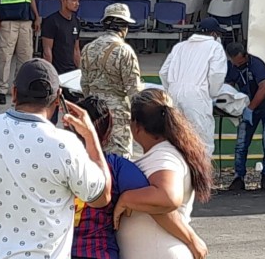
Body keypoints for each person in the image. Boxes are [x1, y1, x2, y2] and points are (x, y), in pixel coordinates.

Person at [0, 58, 112, 259]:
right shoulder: (65, 145)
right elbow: (102, 197)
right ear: (58, 98)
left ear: (14, 93)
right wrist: (90, 135)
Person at [72, 96, 207, 259]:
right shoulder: (118, 167)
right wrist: (191, 239)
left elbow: (161, 199)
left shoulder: (52, 162)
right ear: (108, 133)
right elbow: (158, 204)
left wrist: (127, 198)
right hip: (97, 251)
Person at [113, 89, 213, 259]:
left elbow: (167, 197)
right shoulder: (162, 154)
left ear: (136, 126)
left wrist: (126, 199)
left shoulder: (163, 156)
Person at [159, 17, 228, 158]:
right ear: (214, 34)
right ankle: (200, 178)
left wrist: (171, 88)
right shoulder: (215, 47)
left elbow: (163, 72)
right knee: (202, 140)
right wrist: (211, 94)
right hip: (197, 94)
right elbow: (217, 74)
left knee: (177, 137)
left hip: (174, 93)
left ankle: (179, 176)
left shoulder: (180, 46)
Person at [80, 3, 143, 159]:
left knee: (94, 157)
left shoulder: (88, 48)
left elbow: (85, 85)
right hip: (117, 115)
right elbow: (134, 90)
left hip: (94, 112)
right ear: (123, 27)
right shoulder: (124, 51)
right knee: (119, 160)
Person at [225, 42, 265, 191]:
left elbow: (264, 88)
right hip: (247, 105)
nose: (239, 65)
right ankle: (238, 177)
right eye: (236, 63)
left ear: (246, 56)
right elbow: (228, 86)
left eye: (241, 62)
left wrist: (250, 108)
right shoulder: (232, 67)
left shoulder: (256, 64)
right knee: (241, 143)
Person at [42, 0, 81, 124]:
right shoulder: (51, 21)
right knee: (52, 111)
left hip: (71, 74)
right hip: (57, 73)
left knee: (75, 112)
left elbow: (76, 49)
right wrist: (50, 74)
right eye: (74, 0)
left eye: (78, 0)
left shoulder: (76, 21)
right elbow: (47, 50)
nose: (77, 3)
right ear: (64, 1)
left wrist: (80, 71)